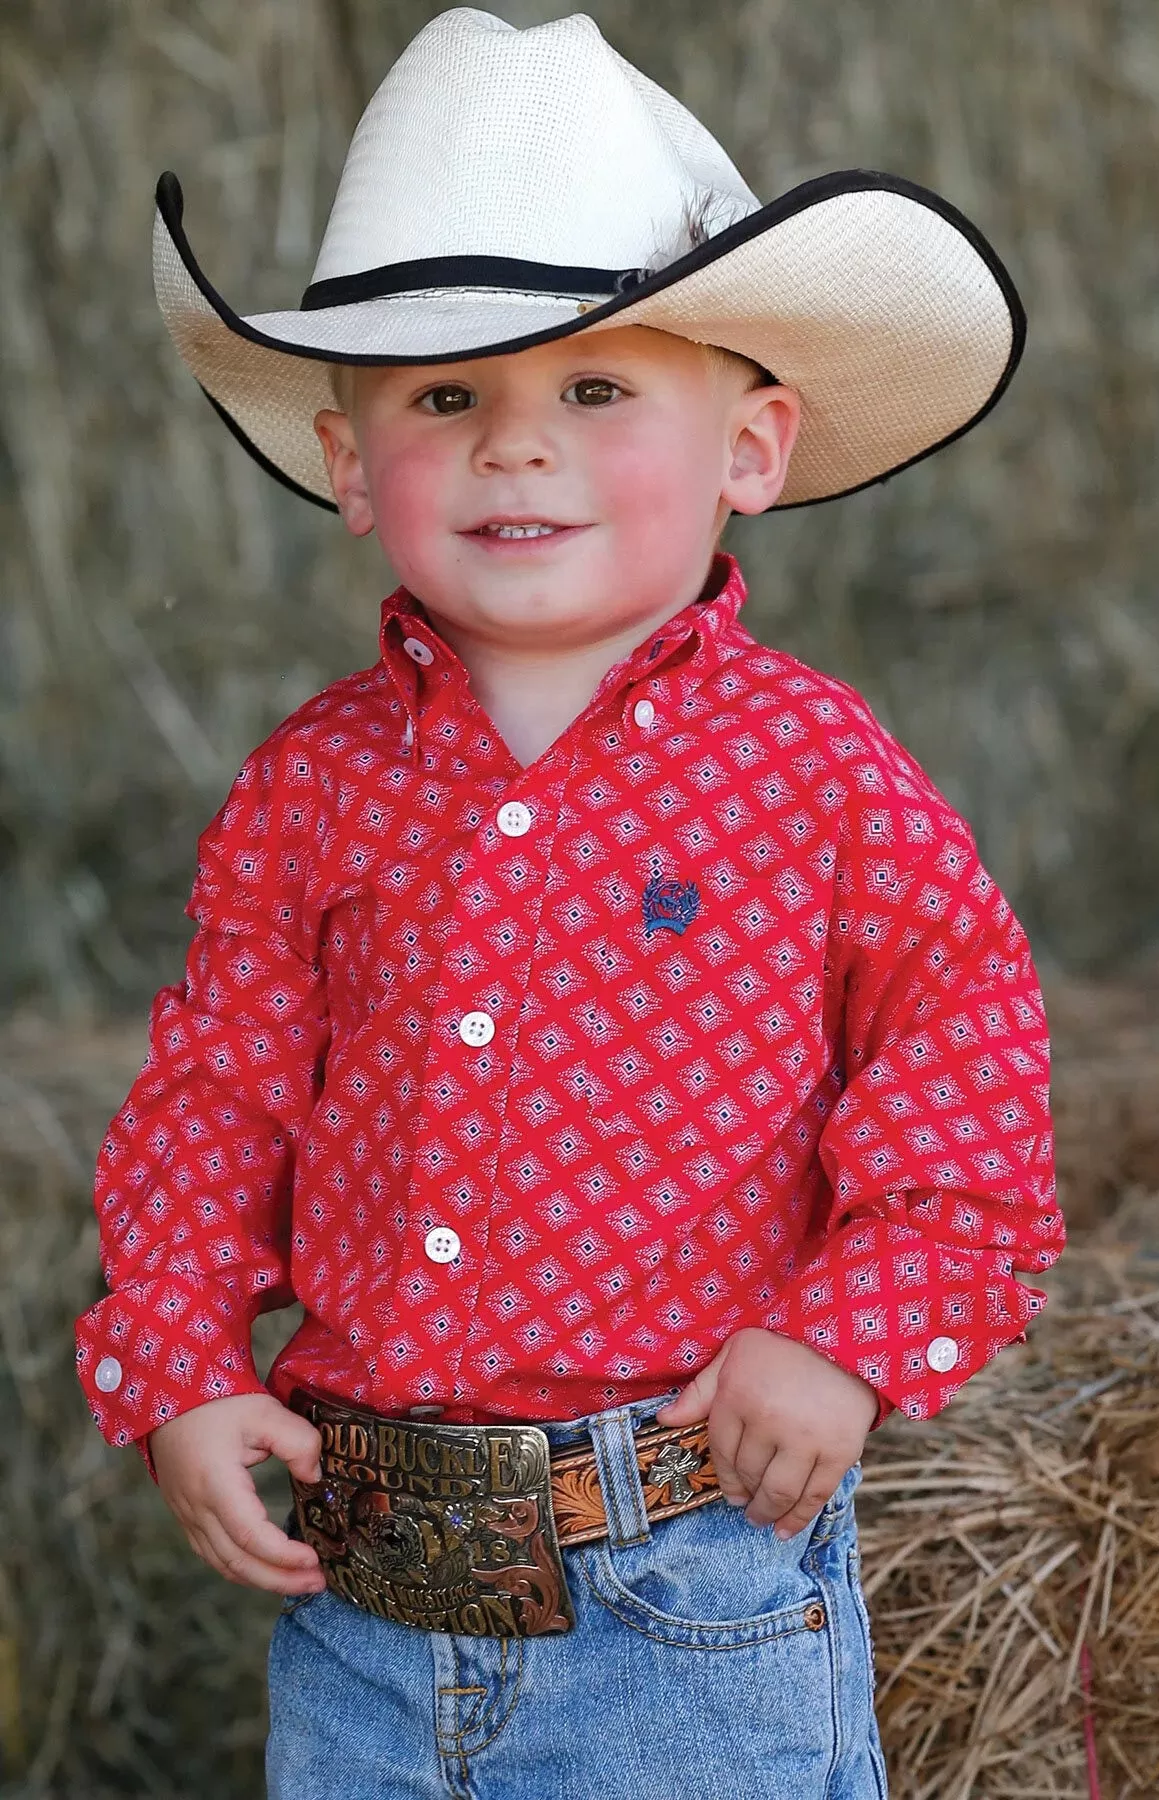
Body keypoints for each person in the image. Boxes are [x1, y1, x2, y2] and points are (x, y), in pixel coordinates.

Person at [75, 11, 1064, 1797]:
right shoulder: (313, 784)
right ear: (344, 458)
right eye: (445, 400)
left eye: (595, 390)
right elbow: (217, 1089)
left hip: (692, 1591)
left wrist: (847, 1334)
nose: (513, 449)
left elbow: (966, 1059)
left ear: (751, 447)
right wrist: (176, 1359)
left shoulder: (817, 770)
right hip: (368, 1601)